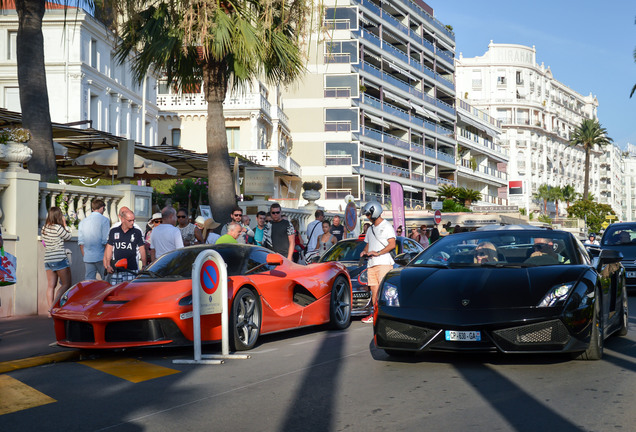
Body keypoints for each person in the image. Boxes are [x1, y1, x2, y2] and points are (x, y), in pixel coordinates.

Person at [359, 201, 396, 324]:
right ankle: (375, 315)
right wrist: (364, 252)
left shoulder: (386, 226)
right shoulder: (370, 229)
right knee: (374, 292)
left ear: (374, 213)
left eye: (368, 214)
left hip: (384, 263)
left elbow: (392, 244)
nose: (367, 217)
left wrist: (378, 252)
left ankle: (389, 317)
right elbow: (368, 244)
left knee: (384, 292)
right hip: (371, 264)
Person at [104, 208, 146, 285]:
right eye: (130, 220)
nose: (132, 223)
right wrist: (108, 265)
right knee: (115, 292)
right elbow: (109, 249)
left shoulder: (137, 232)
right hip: (116, 269)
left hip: (131, 269)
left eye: (133, 220)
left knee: (130, 293)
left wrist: (144, 265)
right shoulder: (114, 231)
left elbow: (142, 250)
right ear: (123, 219)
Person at [42, 206, 72, 311]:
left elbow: (44, 243)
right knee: (66, 283)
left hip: (48, 259)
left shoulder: (44, 228)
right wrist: (65, 225)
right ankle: (54, 307)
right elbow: (68, 236)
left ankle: (50, 309)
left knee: (51, 286)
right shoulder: (58, 228)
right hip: (59, 258)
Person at [77, 199, 110, 280]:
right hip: (101, 255)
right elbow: (105, 240)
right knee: (106, 279)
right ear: (102, 208)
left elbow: (81, 243)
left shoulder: (83, 222)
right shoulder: (105, 220)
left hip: (88, 256)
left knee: (89, 281)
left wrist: (86, 255)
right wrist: (108, 257)